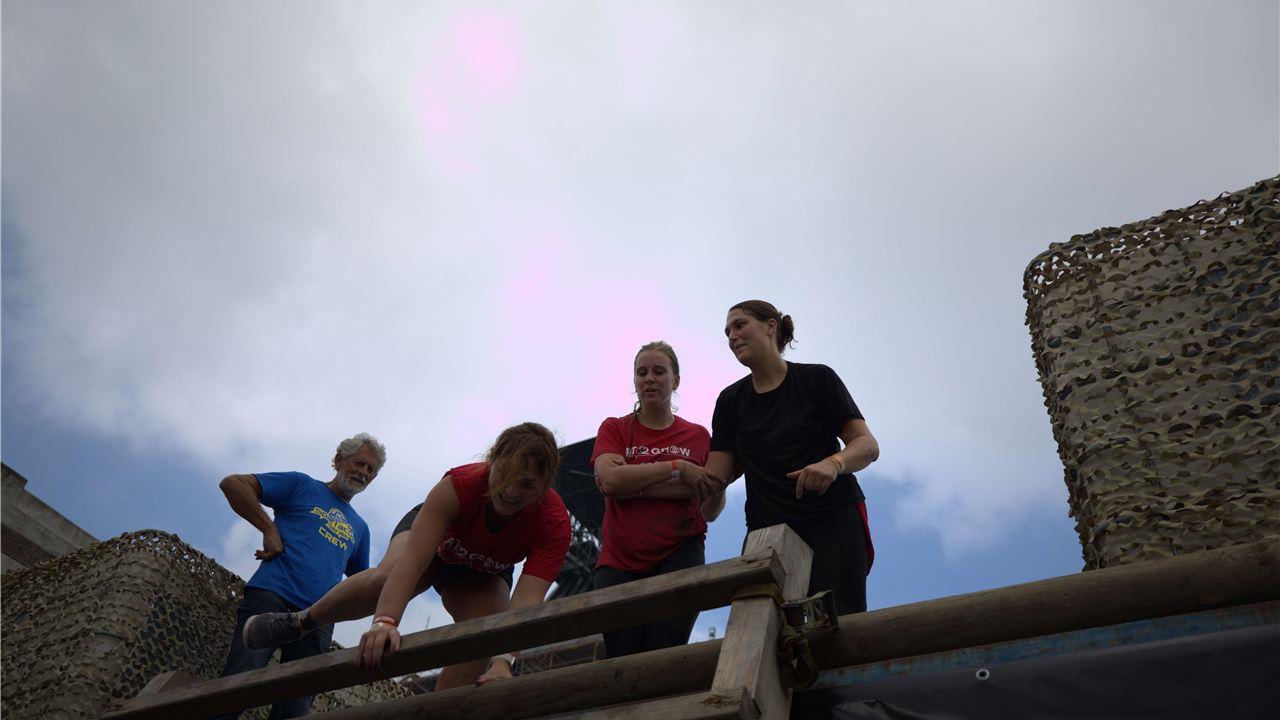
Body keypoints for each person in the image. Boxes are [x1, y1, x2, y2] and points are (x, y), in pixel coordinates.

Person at [242, 422, 571, 690]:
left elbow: (526, 600)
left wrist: (502, 662)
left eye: (525, 485)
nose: (510, 491)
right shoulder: (458, 485)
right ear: (491, 461)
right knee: (388, 576)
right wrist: (385, 622)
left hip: (480, 573)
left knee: (487, 634)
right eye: (505, 475)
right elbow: (413, 562)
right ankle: (300, 622)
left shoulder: (553, 523)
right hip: (433, 544)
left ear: (544, 487)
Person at [707, 300, 879, 615]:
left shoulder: (817, 379)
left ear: (770, 326)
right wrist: (676, 472)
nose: (732, 336)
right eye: (727, 332)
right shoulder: (730, 401)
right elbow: (715, 476)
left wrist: (833, 464)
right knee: (759, 626)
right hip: (766, 531)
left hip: (832, 519)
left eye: (740, 325)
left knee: (837, 624)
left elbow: (866, 445)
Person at [214, 432, 383, 720]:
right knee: (237, 686)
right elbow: (233, 484)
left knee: (295, 710)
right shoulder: (300, 485)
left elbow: (362, 581)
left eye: (371, 470)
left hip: (318, 619)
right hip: (272, 597)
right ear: (339, 459)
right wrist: (269, 529)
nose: (363, 473)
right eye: (359, 463)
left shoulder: (360, 527)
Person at [590, 341, 725, 658]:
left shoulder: (698, 437)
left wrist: (634, 484)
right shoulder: (614, 428)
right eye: (642, 373)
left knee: (665, 656)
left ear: (675, 380)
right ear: (634, 381)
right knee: (622, 658)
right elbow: (610, 481)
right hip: (619, 561)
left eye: (659, 371)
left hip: (680, 553)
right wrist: (678, 469)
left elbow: (709, 509)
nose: (649, 378)